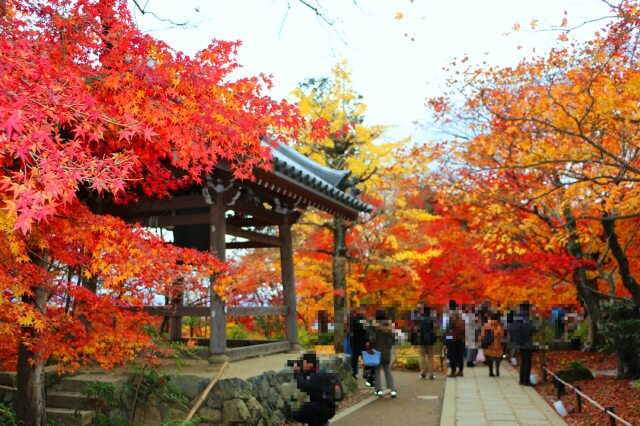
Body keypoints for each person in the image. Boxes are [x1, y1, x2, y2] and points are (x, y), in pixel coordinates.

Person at [290, 351, 340, 426]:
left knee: (306, 409)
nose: (302, 364)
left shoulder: (316, 375)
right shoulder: (318, 371)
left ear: (309, 364)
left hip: (325, 409)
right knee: (309, 407)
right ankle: (322, 422)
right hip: (328, 407)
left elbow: (304, 386)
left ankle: (320, 423)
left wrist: (297, 373)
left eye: (303, 362)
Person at [369, 309, 397, 398]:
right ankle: (392, 389)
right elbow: (393, 339)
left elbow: (371, 339)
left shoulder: (374, 327)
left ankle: (378, 390)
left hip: (377, 351)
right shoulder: (389, 326)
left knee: (377, 371)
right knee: (387, 370)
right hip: (386, 352)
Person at [511, 301, 537, 386]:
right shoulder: (526, 317)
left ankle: (522, 380)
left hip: (519, 342)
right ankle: (526, 381)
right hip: (527, 342)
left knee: (523, 362)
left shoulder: (517, 317)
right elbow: (530, 329)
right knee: (527, 362)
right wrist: (535, 328)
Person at [411, 302, 437, 380]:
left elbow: (415, 329)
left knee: (422, 357)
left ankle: (422, 373)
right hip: (430, 340)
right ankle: (431, 374)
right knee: (431, 357)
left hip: (421, 339)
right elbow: (435, 327)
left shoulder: (418, 319)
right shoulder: (431, 318)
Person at [480, 311, 506, 377]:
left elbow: (482, 335)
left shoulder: (486, 325)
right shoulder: (500, 326)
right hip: (497, 345)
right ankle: (497, 368)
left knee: (489, 358)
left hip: (488, 345)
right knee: (498, 358)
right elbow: (502, 335)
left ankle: (491, 371)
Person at [445, 300, 466, 377]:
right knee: (460, 355)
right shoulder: (462, 314)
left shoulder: (448, 315)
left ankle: (453, 371)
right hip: (461, 337)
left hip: (451, 338)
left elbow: (446, 328)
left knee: (452, 354)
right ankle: (460, 371)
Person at [349, 306, 368, 379]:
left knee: (365, 359)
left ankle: (365, 373)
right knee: (355, 359)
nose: (363, 312)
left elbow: (366, 331)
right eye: (362, 310)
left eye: (364, 310)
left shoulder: (364, 319)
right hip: (356, 342)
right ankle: (353, 373)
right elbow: (354, 329)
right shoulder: (355, 319)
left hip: (362, 342)